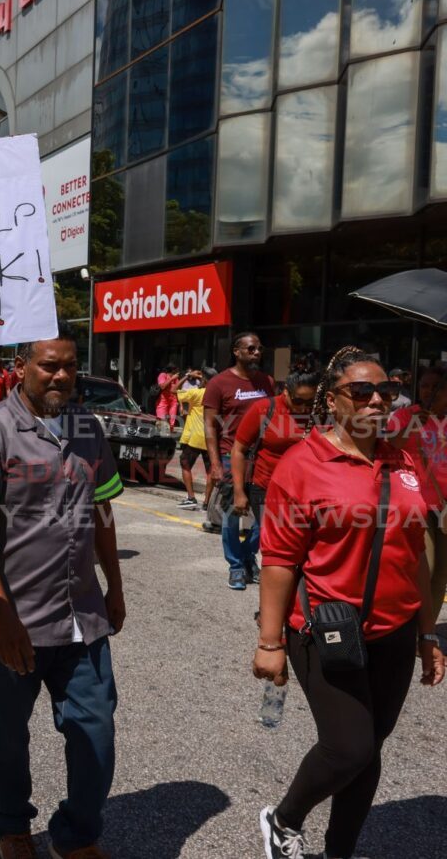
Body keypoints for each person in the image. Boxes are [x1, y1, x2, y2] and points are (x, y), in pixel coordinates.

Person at [254, 347, 444, 859]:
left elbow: (416, 560)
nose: (377, 399)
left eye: (386, 391)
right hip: (326, 628)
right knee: (349, 746)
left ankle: (340, 851)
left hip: (395, 631)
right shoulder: (302, 463)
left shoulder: (402, 459)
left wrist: (428, 635)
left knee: (371, 750)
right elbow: (278, 559)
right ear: (332, 400)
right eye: (361, 391)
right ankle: (283, 819)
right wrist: (270, 642)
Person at [0, 321, 126, 859]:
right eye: (48, 365)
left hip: (82, 615)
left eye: (68, 365)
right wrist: (0, 610)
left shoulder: (87, 426)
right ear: (22, 368)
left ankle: (77, 831)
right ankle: (14, 826)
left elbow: (102, 509)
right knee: (9, 738)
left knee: (96, 731)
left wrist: (115, 585)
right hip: (15, 620)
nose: (61, 374)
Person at [203, 332, 276, 589]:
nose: (256, 352)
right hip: (227, 455)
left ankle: (248, 556)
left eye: (259, 349)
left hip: (261, 459)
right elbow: (210, 427)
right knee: (233, 515)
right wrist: (213, 464)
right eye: (251, 348)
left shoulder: (267, 382)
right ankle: (236, 565)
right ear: (236, 351)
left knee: (264, 517)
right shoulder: (219, 383)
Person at [387, 364, 447, 616]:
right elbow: (388, 448)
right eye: (425, 386)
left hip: (444, 504)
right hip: (416, 502)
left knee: (441, 574)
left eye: (437, 387)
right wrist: (412, 425)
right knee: (426, 568)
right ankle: (411, 626)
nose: (430, 391)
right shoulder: (404, 415)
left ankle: (428, 633)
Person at [230, 370, 319, 528]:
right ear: (286, 392)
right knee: (276, 542)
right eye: (298, 401)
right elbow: (238, 450)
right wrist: (239, 492)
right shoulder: (264, 409)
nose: (304, 407)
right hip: (266, 490)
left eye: (310, 402)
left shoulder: (318, 414)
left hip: (306, 492)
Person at [175, 368, 214, 510]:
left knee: (185, 463)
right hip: (211, 438)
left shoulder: (196, 393)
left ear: (204, 379)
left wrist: (187, 376)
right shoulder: (217, 394)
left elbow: (174, 389)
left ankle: (191, 497)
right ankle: (207, 502)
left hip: (195, 437)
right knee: (210, 470)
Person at [154, 364, 181, 429]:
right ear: (173, 370)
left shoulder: (176, 378)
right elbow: (162, 386)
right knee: (162, 420)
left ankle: (169, 436)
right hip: (163, 400)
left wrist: (181, 405)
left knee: (172, 421)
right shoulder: (163, 375)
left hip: (173, 401)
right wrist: (172, 378)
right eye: (176, 370)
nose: (178, 372)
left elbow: (178, 391)